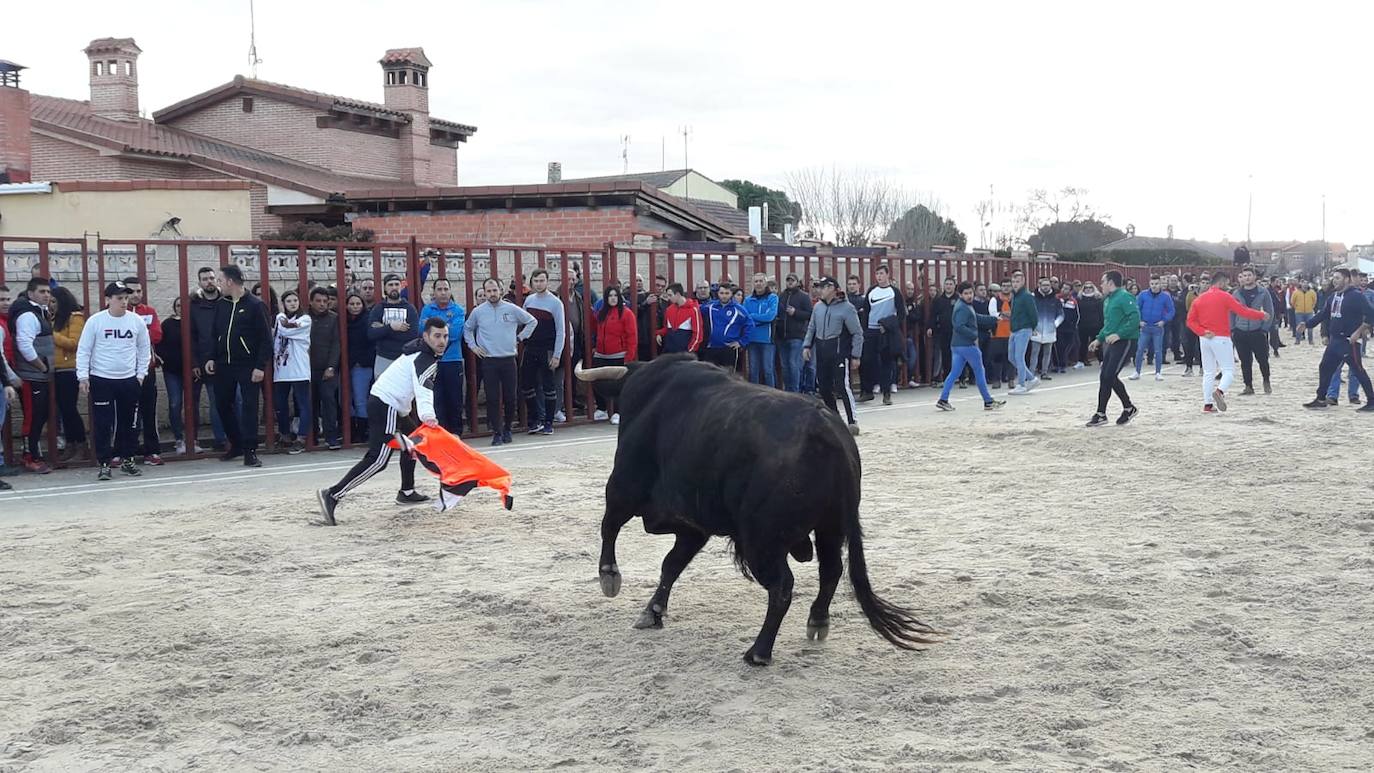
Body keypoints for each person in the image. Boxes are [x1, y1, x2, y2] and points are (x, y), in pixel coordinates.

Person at [317, 317, 451, 525]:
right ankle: (333, 494)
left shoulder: (421, 351)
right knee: (378, 459)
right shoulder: (424, 358)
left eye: (445, 336)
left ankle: (407, 491)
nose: (442, 341)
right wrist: (428, 417)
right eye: (437, 336)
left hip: (393, 405)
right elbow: (423, 388)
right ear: (426, 336)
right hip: (386, 404)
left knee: (414, 444)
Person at [76, 281, 151, 480]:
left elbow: (144, 349)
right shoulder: (96, 321)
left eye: (126, 298)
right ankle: (104, 463)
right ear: (108, 299)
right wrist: (83, 376)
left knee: (130, 423)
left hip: (128, 379)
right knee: (103, 423)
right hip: (102, 379)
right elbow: (84, 349)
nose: (124, 302)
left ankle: (128, 460)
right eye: (119, 298)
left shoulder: (136, 321)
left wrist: (140, 375)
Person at [203, 264, 272, 467]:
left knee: (249, 407)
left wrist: (260, 366)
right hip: (224, 364)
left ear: (230, 282)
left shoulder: (255, 305)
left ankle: (250, 451)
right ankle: (236, 443)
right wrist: (211, 357)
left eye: (220, 280)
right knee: (222, 404)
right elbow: (214, 333)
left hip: (248, 365)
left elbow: (266, 339)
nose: (218, 284)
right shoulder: (221, 305)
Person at [465, 278, 536, 446]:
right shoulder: (478, 312)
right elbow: (467, 329)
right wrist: (473, 346)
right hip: (489, 360)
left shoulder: (511, 308)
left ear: (501, 290)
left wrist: (521, 337)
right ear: (485, 292)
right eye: (488, 291)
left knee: (510, 397)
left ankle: (508, 428)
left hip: (508, 359)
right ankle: (497, 432)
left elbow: (532, 321)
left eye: (494, 290)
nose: (492, 294)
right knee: (492, 398)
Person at [1186, 271, 1268, 413]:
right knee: (1228, 370)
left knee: (1208, 372)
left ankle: (1207, 404)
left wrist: (1202, 331)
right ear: (1222, 282)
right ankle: (1220, 391)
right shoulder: (1225, 296)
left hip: (1205, 338)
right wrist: (1261, 315)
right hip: (1221, 337)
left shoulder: (1199, 299)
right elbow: (1242, 311)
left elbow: (1190, 321)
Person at [1299, 269, 1374, 411]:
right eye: (1334, 278)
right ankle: (1321, 398)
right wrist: (1307, 324)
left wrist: (1358, 332)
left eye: (1338, 278)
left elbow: (1371, 314)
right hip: (1335, 341)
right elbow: (1323, 314)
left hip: (1349, 342)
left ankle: (1372, 401)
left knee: (1358, 370)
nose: (1334, 280)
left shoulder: (1356, 296)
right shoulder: (1333, 296)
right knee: (1325, 367)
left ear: (1346, 279)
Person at [802, 276, 862, 435]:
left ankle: (852, 421)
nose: (819, 290)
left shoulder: (847, 308)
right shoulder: (818, 307)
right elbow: (811, 328)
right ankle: (836, 420)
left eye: (822, 287)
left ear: (831, 288)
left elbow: (857, 333)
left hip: (839, 353)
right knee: (824, 388)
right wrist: (807, 346)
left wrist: (856, 355)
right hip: (822, 352)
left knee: (842, 386)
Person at [934, 281, 1005, 412]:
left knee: (954, 373)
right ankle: (988, 401)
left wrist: (993, 319)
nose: (969, 296)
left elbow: (975, 317)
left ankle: (943, 399)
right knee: (979, 371)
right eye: (966, 293)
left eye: (970, 293)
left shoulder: (963, 305)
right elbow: (959, 326)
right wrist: (974, 335)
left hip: (957, 345)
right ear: (960, 294)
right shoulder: (963, 307)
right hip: (967, 345)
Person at [10, 277, 55, 473]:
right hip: (31, 376)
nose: (46, 295)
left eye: (48, 292)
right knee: (33, 416)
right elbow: (25, 345)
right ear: (30, 294)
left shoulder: (39, 312)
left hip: (38, 376)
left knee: (40, 415)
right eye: (41, 291)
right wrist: (42, 367)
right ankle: (30, 457)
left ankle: (33, 454)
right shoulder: (28, 315)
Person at [1085, 271, 1141, 427]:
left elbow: (1135, 319)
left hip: (1126, 341)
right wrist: (1099, 338)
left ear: (1110, 283)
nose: (1100, 285)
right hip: (1111, 342)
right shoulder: (1108, 300)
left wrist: (1119, 334)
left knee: (1109, 375)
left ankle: (1103, 413)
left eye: (1102, 282)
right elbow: (1109, 324)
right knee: (1106, 376)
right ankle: (1124, 408)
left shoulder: (1125, 297)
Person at [123, 278, 165, 465]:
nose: (136, 295)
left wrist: (133, 332)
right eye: (131, 291)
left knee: (149, 411)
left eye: (139, 291)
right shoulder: (115, 312)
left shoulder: (149, 311)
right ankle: (125, 451)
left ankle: (152, 451)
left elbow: (156, 335)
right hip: (124, 370)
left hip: (147, 368)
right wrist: (140, 332)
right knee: (125, 412)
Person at [520, 269, 567, 436]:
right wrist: (519, 338)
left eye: (542, 280)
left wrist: (557, 355)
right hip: (530, 348)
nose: (539, 284)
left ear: (547, 282)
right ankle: (535, 421)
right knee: (527, 384)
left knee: (549, 386)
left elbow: (561, 331)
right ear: (532, 282)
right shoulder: (529, 300)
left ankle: (548, 422)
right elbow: (524, 323)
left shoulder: (555, 303)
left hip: (547, 349)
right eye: (536, 281)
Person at [418, 278, 466, 436]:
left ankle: (456, 433)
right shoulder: (427, 309)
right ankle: (440, 435)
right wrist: (446, 325)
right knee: (436, 399)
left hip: (453, 361)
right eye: (439, 289)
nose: (443, 292)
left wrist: (435, 330)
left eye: (446, 289)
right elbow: (422, 332)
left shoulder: (458, 310)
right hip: (432, 362)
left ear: (450, 291)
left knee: (454, 399)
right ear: (434, 292)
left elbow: (455, 334)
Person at [189, 266, 229, 451]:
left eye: (212, 278)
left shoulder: (227, 300)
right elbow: (192, 336)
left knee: (236, 400)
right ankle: (221, 440)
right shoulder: (195, 305)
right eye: (205, 279)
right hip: (207, 361)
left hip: (229, 358)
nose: (209, 281)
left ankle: (237, 438)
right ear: (199, 283)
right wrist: (195, 362)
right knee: (215, 401)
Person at [158, 296, 202, 456]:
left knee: (193, 404)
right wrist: (166, 361)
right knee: (175, 403)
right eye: (178, 305)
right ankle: (179, 439)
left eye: (184, 305)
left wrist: (196, 364)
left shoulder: (195, 323)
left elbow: (200, 344)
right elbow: (160, 345)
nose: (181, 308)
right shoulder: (168, 324)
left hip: (193, 370)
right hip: (173, 371)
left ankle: (193, 440)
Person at [271, 290, 312, 454]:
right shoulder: (280, 320)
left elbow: (287, 330)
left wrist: (281, 317)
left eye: (295, 300)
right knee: (280, 404)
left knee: (303, 404)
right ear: (283, 304)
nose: (293, 303)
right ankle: (285, 435)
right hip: (281, 370)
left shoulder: (305, 319)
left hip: (299, 369)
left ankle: (301, 438)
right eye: (288, 301)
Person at [50, 286, 88, 461]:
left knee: (69, 409)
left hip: (69, 369)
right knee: (63, 410)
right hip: (56, 369)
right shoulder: (54, 318)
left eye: (54, 301)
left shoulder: (75, 318)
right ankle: (71, 444)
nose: (51, 305)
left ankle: (81, 444)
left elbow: (74, 343)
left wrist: (52, 335)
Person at [589, 285, 636, 424]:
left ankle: (618, 412)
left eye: (615, 295)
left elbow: (632, 336)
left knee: (619, 384)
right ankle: (602, 409)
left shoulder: (626, 313)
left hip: (618, 355)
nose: (613, 298)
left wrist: (629, 356)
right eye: (610, 296)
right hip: (601, 354)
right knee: (596, 381)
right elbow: (595, 329)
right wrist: (595, 346)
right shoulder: (602, 313)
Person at [1230, 267, 1275, 396]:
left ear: (1254, 276)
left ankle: (1266, 380)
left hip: (1257, 330)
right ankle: (1248, 386)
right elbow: (1231, 312)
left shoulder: (1263, 292)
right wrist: (1233, 328)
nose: (1247, 278)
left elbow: (1270, 311)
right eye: (1244, 275)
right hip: (1240, 330)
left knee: (1262, 359)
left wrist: (1264, 329)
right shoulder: (1236, 293)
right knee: (1245, 361)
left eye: (1249, 275)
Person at [307, 287, 342, 449]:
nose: (322, 304)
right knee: (310, 403)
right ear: (311, 302)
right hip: (307, 368)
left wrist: (331, 366)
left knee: (329, 402)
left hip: (327, 368)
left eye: (325, 301)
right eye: (318, 301)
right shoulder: (305, 318)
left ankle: (331, 437)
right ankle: (312, 437)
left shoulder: (333, 318)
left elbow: (336, 344)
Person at [862, 265, 901, 404]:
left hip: (885, 332)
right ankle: (867, 391)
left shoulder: (894, 292)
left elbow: (901, 314)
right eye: (877, 273)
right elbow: (866, 311)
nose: (879, 276)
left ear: (887, 274)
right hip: (871, 330)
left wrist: (888, 325)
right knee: (866, 361)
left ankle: (886, 393)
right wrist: (864, 329)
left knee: (886, 363)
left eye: (881, 273)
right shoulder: (871, 291)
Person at [367, 274, 418, 378]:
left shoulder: (410, 309)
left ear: (401, 287)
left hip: (404, 357)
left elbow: (412, 335)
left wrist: (383, 329)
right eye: (390, 285)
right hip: (383, 358)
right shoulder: (378, 309)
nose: (394, 287)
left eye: (396, 284)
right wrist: (391, 327)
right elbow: (371, 334)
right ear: (385, 288)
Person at [1131, 275, 1176, 382]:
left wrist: (1164, 321)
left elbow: (1171, 311)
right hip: (1145, 327)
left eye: (1156, 284)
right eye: (1152, 284)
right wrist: (1139, 321)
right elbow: (1136, 309)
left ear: (1160, 284)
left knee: (1158, 350)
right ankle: (1137, 372)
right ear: (1149, 284)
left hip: (1157, 327)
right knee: (1140, 349)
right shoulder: (1143, 295)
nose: (1154, 286)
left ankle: (1158, 372)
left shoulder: (1165, 296)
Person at [344, 293, 375, 442]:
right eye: (351, 304)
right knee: (345, 399)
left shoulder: (367, 320)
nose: (355, 307)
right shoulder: (344, 321)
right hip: (345, 365)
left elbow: (372, 343)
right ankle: (351, 430)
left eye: (358, 304)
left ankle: (361, 432)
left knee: (360, 399)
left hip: (362, 365)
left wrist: (362, 360)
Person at [700, 283, 753, 372]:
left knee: (729, 377)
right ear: (718, 293)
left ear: (731, 294)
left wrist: (741, 342)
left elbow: (750, 325)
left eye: (727, 293)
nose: (724, 296)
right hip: (712, 347)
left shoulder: (738, 309)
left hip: (729, 349)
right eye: (722, 293)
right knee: (711, 376)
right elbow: (695, 310)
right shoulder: (710, 306)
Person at [777, 273, 812, 393]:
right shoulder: (782, 296)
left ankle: (795, 391)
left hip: (797, 335)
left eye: (792, 280)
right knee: (785, 366)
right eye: (788, 280)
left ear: (797, 282)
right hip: (782, 336)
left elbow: (809, 314)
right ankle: (788, 391)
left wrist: (795, 312)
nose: (790, 282)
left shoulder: (803, 296)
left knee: (794, 364)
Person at [743, 272, 780, 388]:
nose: (758, 284)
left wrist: (753, 316)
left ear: (766, 283)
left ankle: (772, 395)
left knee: (768, 370)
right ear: (753, 283)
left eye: (761, 281)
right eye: (756, 281)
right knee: (753, 370)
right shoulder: (748, 300)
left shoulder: (772, 298)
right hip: (752, 340)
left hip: (767, 340)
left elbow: (770, 316)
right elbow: (745, 318)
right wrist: (761, 319)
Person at [1007, 271, 1039, 394]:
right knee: (1011, 357)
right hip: (1014, 329)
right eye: (1013, 282)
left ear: (1023, 281)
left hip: (1024, 329)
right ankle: (1031, 378)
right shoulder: (1015, 296)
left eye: (1017, 281)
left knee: (1019, 357)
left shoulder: (1026, 296)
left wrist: (1033, 327)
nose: (1015, 284)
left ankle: (1021, 384)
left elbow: (1033, 313)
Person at [1029, 277, 1062, 381]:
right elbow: (1028, 313)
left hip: (1050, 330)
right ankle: (1031, 373)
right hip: (1036, 329)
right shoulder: (1033, 298)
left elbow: (1061, 314)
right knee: (1034, 352)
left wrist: (1055, 324)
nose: (1045, 287)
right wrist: (1032, 325)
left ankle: (1044, 372)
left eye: (1047, 285)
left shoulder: (1056, 300)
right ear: (1039, 285)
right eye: (1043, 285)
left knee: (1048, 352)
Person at [656, 283, 703, 355]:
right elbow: (667, 328)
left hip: (684, 353)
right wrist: (659, 334)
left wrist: (690, 350)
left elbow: (698, 334)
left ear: (678, 294)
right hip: (669, 351)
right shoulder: (669, 309)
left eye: (670, 295)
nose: (668, 298)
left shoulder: (693, 309)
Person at [927, 277, 956, 385]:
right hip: (942, 331)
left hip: (956, 331)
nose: (948, 286)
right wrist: (930, 327)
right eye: (947, 284)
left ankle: (961, 378)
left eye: (951, 284)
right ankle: (947, 378)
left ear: (954, 286)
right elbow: (933, 315)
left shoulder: (958, 299)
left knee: (958, 355)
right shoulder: (938, 300)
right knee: (945, 355)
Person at [1055, 283, 1081, 373]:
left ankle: (1063, 364)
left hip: (1069, 328)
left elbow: (1077, 315)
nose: (1064, 290)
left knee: (1066, 346)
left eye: (1066, 289)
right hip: (1058, 327)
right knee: (1059, 346)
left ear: (1070, 291)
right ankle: (1058, 365)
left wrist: (1074, 326)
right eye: (1063, 288)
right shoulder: (1056, 299)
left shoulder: (1073, 301)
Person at [1077, 282, 1104, 366]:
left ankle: (1101, 360)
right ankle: (1081, 360)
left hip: (1095, 325)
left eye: (1090, 287)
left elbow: (1101, 312)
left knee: (1096, 343)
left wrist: (1102, 324)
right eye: (1086, 288)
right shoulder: (1079, 299)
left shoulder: (1098, 298)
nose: (1088, 289)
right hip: (1083, 325)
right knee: (1083, 343)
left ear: (1093, 288)